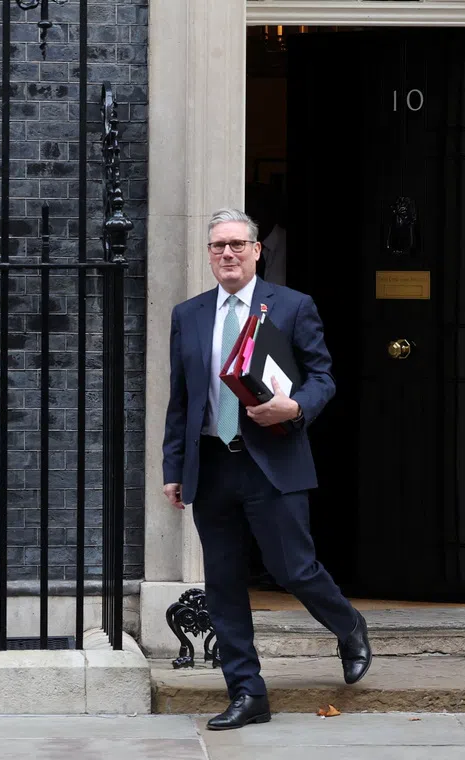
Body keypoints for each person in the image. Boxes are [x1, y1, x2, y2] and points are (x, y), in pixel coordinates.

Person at [162, 208, 371, 731]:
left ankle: (348, 626)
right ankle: (247, 693)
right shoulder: (188, 315)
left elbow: (323, 376)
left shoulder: (294, 306)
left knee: (293, 568)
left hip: (272, 461)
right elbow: (182, 401)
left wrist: (295, 407)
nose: (227, 254)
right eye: (217, 247)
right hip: (211, 464)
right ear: (209, 255)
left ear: (257, 250)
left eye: (237, 244)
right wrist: (174, 467)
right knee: (223, 583)